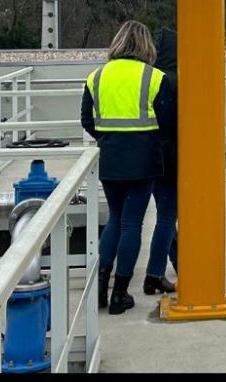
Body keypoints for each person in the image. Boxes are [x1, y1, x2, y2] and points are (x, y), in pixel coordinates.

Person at [82, 20, 175, 315]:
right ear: (146, 45)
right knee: (133, 223)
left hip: (110, 157)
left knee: (115, 220)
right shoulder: (154, 77)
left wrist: (108, 139)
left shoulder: (96, 77)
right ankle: (120, 294)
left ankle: (100, 285)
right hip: (144, 159)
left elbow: (87, 119)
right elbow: (168, 122)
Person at [144, 23, 178, 296]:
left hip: (151, 157)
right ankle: (154, 273)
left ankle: (180, 262)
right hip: (172, 158)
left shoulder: (152, 78)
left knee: (167, 214)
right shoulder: (175, 81)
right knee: (167, 217)